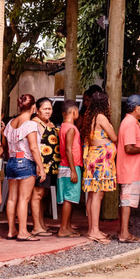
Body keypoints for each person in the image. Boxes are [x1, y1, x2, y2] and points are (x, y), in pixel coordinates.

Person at [2, 94, 45, 242]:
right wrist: (41, 167)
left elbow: (6, 144)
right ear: (33, 107)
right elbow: (33, 147)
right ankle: (22, 231)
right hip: (25, 162)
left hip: (12, 161)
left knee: (12, 198)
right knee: (23, 199)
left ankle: (11, 230)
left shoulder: (11, 123)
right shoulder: (30, 125)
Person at [79, 89, 116, 244]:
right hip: (101, 160)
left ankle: (92, 229)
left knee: (93, 195)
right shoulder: (101, 117)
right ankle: (94, 231)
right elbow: (114, 136)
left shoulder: (90, 116)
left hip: (94, 158)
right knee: (97, 195)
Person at [117, 94, 140, 243]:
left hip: (132, 169)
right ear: (135, 108)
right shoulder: (130, 123)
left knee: (128, 200)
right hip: (129, 169)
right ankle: (124, 234)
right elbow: (129, 148)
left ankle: (124, 231)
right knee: (126, 201)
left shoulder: (133, 122)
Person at [30, 97, 60, 236]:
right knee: (37, 194)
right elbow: (34, 146)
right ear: (37, 110)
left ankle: (42, 224)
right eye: (45, 109)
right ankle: (36, 226)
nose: (48, 111)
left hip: (52, 165)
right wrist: (39, 166)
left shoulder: (50, 123)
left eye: (50, 109)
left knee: (44, 194)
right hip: (42, 165)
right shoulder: (35, 124)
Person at [56, 101, 82, 237]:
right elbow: (68, 149)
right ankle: (63, 228)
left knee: (70, 198)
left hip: (66, 165)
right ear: (74, 112)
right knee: (68, 198)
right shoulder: (71, 128)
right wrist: (73, 170)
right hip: (70, 166)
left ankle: (67, 226)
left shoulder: (63, 126)